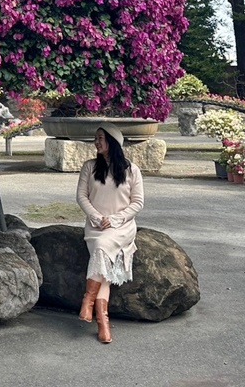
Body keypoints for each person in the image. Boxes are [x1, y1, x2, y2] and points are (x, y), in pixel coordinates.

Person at [75, 123, 144, 343]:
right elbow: (82, 197)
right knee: (102, 263)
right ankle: (103, 323)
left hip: (121, 228)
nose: (97, 142)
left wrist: (114, 219)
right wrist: (97, 218)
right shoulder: (89, 167)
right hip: (96, 227)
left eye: (101, 138)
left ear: (113, 142)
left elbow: (137, 203)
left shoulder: (131, 170)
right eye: (96, 138)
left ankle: (88, 300)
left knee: (102, 249)